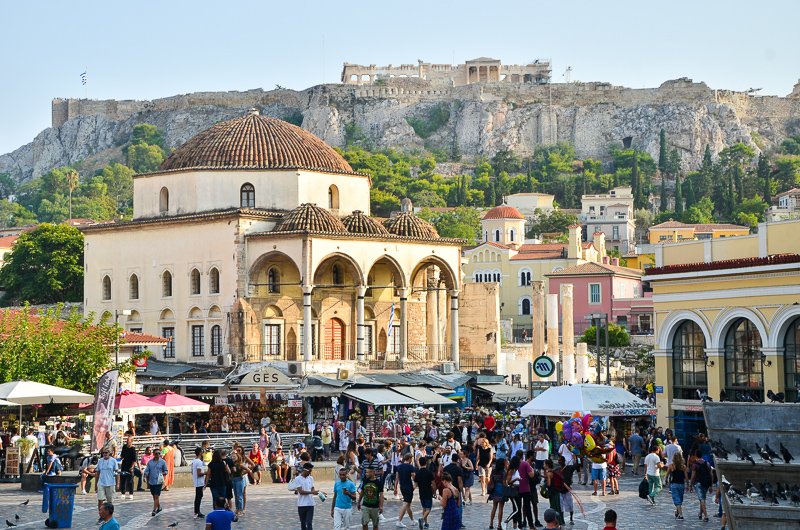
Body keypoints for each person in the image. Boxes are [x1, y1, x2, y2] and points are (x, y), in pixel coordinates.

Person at [95, 448, 119, 525]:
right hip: (101, 483)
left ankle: (109, 516)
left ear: (109, 453)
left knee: (110, 501)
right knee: (100, 500)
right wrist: (96, 483)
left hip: (111, 483)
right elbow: (98, 472)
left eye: (106, 452)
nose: (105, 454)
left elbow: (117, 473)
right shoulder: (100, 461)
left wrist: (118, 483)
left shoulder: (113, 461)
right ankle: (101, 516)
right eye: (103, 453)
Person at [689, 449, 713, 522]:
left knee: (702, 499)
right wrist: (711, 485)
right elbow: (711, 475)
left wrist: (690, 485)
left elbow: (693, 476)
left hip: (698, 483)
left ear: (696, 455)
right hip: (706, 483)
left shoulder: (695, 464)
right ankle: (700, 513)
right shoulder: (707, 463)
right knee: (703, 498)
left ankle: (706, 515)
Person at [144, 447, 168, 517]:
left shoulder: (163, 462)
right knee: (154, 496)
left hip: (159, 481)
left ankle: (154, 510)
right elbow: (147, 471)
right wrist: (145, 476)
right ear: (153, 454)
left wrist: (163, 473)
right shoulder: (150, 462)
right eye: (156, 453)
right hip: (152, 481)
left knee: (156, 496)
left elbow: (166, 471)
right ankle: (159, 507)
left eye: (159, 453)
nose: (157, 454)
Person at [520, 450, 542, 528]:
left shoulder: (533, 464)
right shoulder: (526, 464)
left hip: (532, 487)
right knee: (526, 505)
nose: (535, 457)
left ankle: (536, 520)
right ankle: (524, 520)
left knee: (534, 504)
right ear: (531, 456)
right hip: (527, 487)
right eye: (534, 455)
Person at [294, 462, 319, 530]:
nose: (310, 473)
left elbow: (312, 488)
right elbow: (301, 491)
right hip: (301, 504)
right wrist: (312, 492)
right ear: (305, 470)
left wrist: (318, 493)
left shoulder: (310, 478)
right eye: (310, 471)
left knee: (309, 523)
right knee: (303, 523)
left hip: (310, 504)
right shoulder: (298, 479)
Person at [359, 466, 384, 530]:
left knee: (375, 525)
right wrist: (359, 502)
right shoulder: (365, 480)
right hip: (365, 506)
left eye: (367, 472)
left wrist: (381, 506)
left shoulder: (378, 482)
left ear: (372, 472)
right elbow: (362, 492)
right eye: (366, 472)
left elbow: (381, 495)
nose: (366, 474)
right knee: (364, 524)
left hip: (375, 507)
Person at [395, 453, 416, 528]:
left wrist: (395, 488)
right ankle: (399, 521)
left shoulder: (399, 467)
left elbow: (397, 478)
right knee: (405, 504)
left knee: (408, 505)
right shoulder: (411, 467)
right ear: (410, 459)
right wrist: (415, 484)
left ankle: (412, 520)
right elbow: (414, 478)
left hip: (402, 487)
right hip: (408, 487)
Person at [544, 459, 565, 526]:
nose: (543, 465)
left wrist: (545, 485)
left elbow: (549, 484)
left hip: (552, 493)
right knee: (558, 507)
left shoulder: (548, 473)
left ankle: (556, 522)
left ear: (547, 465)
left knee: (553, 507)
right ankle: (561, 521)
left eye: (544, 464)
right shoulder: (553, 471)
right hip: (556, 492)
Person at [415, 456, 434, 530]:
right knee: (428, 508)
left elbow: (415, 484)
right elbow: (433, 483)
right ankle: (422, 519)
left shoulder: (418, 473)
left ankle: (426, 523)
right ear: (426, 463)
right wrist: (434, 491)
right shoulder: (429, 472)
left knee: (424, 508)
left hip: (421, 492)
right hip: (428, 491)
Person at [488, 459, 507, 530]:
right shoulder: (503, 472)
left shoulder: (493, 471)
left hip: (494, 489)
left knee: (494, 507)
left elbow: (491, 479)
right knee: (501, 508)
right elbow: (504, 482)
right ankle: (499, 525)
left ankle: (491, 523)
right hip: (501, 490)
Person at [504, 456, 522, 529]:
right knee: (517, 509)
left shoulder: (516, 470)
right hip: (513, 490)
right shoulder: (511, 470)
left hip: (517, 489)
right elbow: (508, 482)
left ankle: (515, 526)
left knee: (516, 509)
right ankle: (505, 521)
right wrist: (517, 479)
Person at [668, 452, 686, 520]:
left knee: (677, 499)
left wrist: (666, 480)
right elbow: (686, 477)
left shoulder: (671, 466)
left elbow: (667, 475)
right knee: (680, 499)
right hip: (681, 484)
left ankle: (680, 514)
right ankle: (678, 511)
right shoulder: (683, 466)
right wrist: (688, 484)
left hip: (674, 484)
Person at [191, 447, 207, 519]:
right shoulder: (199, 462)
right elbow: (199, 473)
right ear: (200, 453)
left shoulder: (194, 461)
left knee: (198, 497)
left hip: (196, 481)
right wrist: (206, 473)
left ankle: (196, 511)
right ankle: (197, 512)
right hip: (199, 482)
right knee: (198, 497)